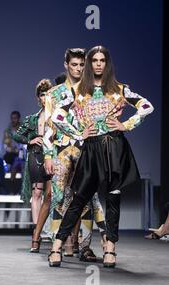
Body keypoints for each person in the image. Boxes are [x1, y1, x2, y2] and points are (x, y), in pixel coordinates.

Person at [48, 46, 154, 267]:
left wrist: (126, 125)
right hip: (91, 147)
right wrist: (78, 134)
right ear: (89, 63)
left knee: (114, 196)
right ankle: (57, 245)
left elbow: (147, 106)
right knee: (80, 198)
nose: (97, 63)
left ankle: (110, 248)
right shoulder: (78, 91)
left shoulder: (119, 89)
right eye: (94, 60)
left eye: (101, 60)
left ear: (107, 63)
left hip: (114, 146)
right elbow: (57, 116)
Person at [42, 48, 106, 260]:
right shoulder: (54, 94)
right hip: (60, 150)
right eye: (74, 65)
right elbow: (49, 127)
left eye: (81, 65)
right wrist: (47, 156)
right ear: (66, 65)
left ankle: (85, 246)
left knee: (87, 197)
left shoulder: (92, 91)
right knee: (58, 197)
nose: (78, 69)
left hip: (87, 150)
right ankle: (56, 246)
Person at [13, 79, 52, 252]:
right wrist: (30, 140)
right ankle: (38, 231)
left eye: (48, 94)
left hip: (54, 156)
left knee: (53, 194)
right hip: (36, 155)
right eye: (42, 95)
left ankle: (56, 231)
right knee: (37, 192)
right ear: (38, 98)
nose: (45, 97)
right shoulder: (32, 119)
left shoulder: (60, 117)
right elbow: (16, 136)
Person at [3, 111, 26, 194]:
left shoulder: (23, 129)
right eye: (12, 118)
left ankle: (18, 190)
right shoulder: (8, 131)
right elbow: (6, 146)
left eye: (15, 118)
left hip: (23, 154)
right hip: (12, 155)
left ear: (18, 119)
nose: (13, 120)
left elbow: (25, 143)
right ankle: (12, 190)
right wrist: (14, 149)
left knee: (20, 161)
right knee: (13, 160)